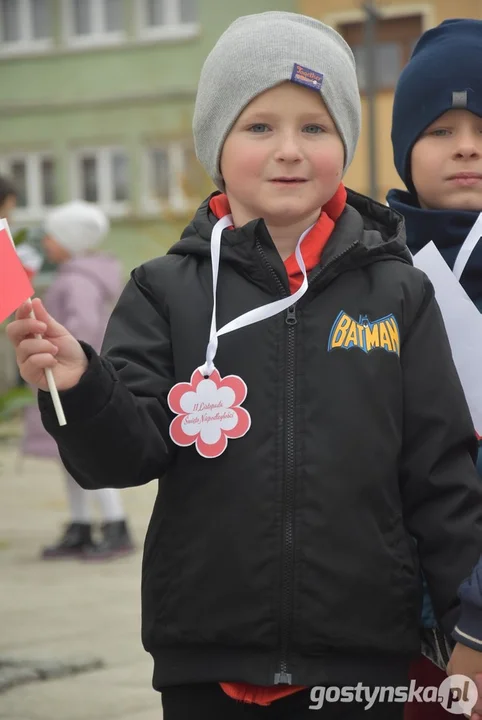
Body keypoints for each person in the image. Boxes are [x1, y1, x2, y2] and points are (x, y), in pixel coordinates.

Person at [6, 11, 482, 719]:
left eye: (314, 128)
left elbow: (439, 474)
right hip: (205, 655)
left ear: (345, 144)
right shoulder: (163, 288)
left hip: (362, 658)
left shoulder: (398, 290)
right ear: (216, 144)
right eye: (260, 126)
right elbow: (123, 453)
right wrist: (80, 382)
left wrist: (469, 628)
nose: (289, 150)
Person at [387, 18, 482, 719]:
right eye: (440, 130)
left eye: (481, 126)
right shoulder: (362, 266)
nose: (468, 148)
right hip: (389, 628)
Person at [21, 200, 135, 561]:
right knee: (69, 455)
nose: (47, 243)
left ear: (69, 240)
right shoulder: (77, 274)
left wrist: (54, 348)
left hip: (74, 381)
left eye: (52, 236)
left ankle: (115, 524)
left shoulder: (76, 280)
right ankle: (81, 523)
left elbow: (82, 326)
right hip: (68, 378)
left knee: (88, 453)